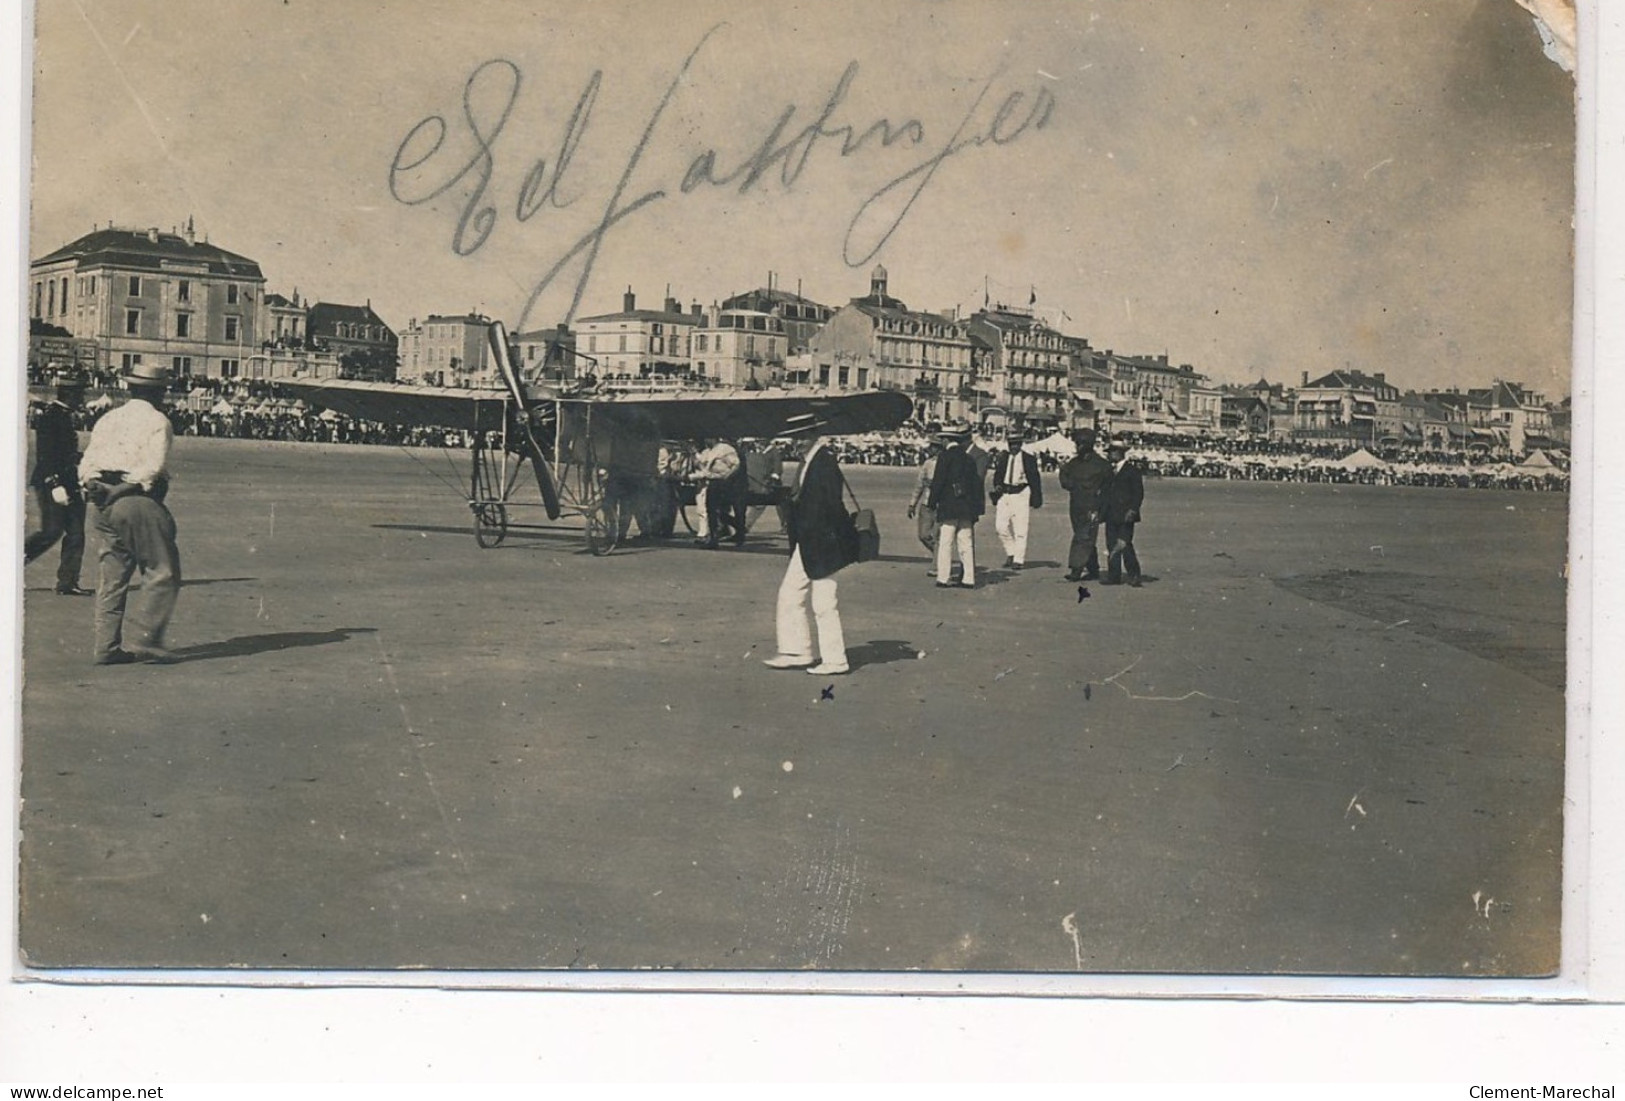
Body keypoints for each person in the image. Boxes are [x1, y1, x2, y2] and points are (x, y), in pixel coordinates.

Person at [77, 363, 182, 665]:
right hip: (135, 501)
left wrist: (96, 487)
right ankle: (147, 637)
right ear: (158, 391)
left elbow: (87, 463)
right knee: (163, 570)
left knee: (112, 576)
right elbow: (152, 468)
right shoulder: (158, 421)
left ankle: (106, 646)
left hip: (102, 504)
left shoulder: (109, 418)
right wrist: (118, 491)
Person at [763, 425, 858, 675]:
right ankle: (797, 651)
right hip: (808, 541)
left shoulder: (823, 461)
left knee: (824, 601)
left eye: (799, 437)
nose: (795, 442)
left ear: (812, 436)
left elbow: (831, 504)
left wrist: (833, 537)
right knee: (790, 593)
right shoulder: (812, 460)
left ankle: (835, 660)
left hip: (821, 542)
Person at [24, 366, 92, 595]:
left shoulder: (62, 416)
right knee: (50, 532)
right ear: (70, 395)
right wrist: (54, 483)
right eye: (80, 394)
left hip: (69, 482)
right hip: (51, 482)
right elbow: (45, 453)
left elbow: (66, 453)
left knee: (76, 533)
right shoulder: (51, 416)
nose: (82, 398)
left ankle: (68, 582)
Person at [926, 427, 985, 589]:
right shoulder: (969, 459)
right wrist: (977, 508)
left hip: (949, 506)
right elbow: (976, 485)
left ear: (946, 440)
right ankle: (969, 578)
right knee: (965, 543)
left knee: (946, 542)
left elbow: (938, 482)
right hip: (966, 507)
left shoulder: (944, 457)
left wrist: (932, 503)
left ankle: (943, 577)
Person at [1057, 427, 1113, 581]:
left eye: (1080, 443)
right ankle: (1093, 568)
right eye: (1077, 443)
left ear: (1089, 444)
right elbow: (1064, 480)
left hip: (1092, 508)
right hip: (1076, 506)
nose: (1077, 446)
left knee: (1083, 537)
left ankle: (1076, 569)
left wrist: (1101, 511)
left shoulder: (1102, 465)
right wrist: (1070, 483)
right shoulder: (1073, 464)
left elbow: (1108, 490)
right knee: (1085, 537)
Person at [989, 431, 1043, 570]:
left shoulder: (1028, 459)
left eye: (1016, 444)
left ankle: (1018, 559)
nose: (1013, 447)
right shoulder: (1003, 457)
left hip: (1021, 493)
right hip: (1005, 494)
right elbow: (998, 475)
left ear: (1021, 444)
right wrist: (998, 486)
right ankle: (1011, 552)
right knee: (1000, 527)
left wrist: (1036, 498)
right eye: (1011, 444)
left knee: (1020, 529)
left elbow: (1035, 479)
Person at [1100, 439, 1145, 587]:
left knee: (1125, 544)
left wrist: (1133, 509)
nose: (1109, 455)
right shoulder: (1109, 471)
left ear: (1119, 453)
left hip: (1126, 514)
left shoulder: (1132, 471)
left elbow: (1138, 493)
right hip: (1110, 513)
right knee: (1111, 544)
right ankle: (1114, 576)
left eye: (1111, 452)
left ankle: (1134, 574)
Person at [690, 437, 743, 548]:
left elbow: (736, 464)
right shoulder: (709, 451)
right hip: (713, 482)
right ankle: (713, 539)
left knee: (722, 512)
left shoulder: (725, 449)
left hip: (724, 482)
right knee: (711, 510)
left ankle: (740, 528)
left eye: (708, 438)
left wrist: (727, 476)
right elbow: (704, 467)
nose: (705, 441)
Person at [905, 433, 943, 565]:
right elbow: (919, 485)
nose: (931, 449)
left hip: (941, 504)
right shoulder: (928, 463)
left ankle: (938, 561)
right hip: (927, 504)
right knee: (923, 535)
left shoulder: (946, 463)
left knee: (938, 536)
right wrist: (912, 504)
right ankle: (940, 554)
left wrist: (935, 483)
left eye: (934, 447)